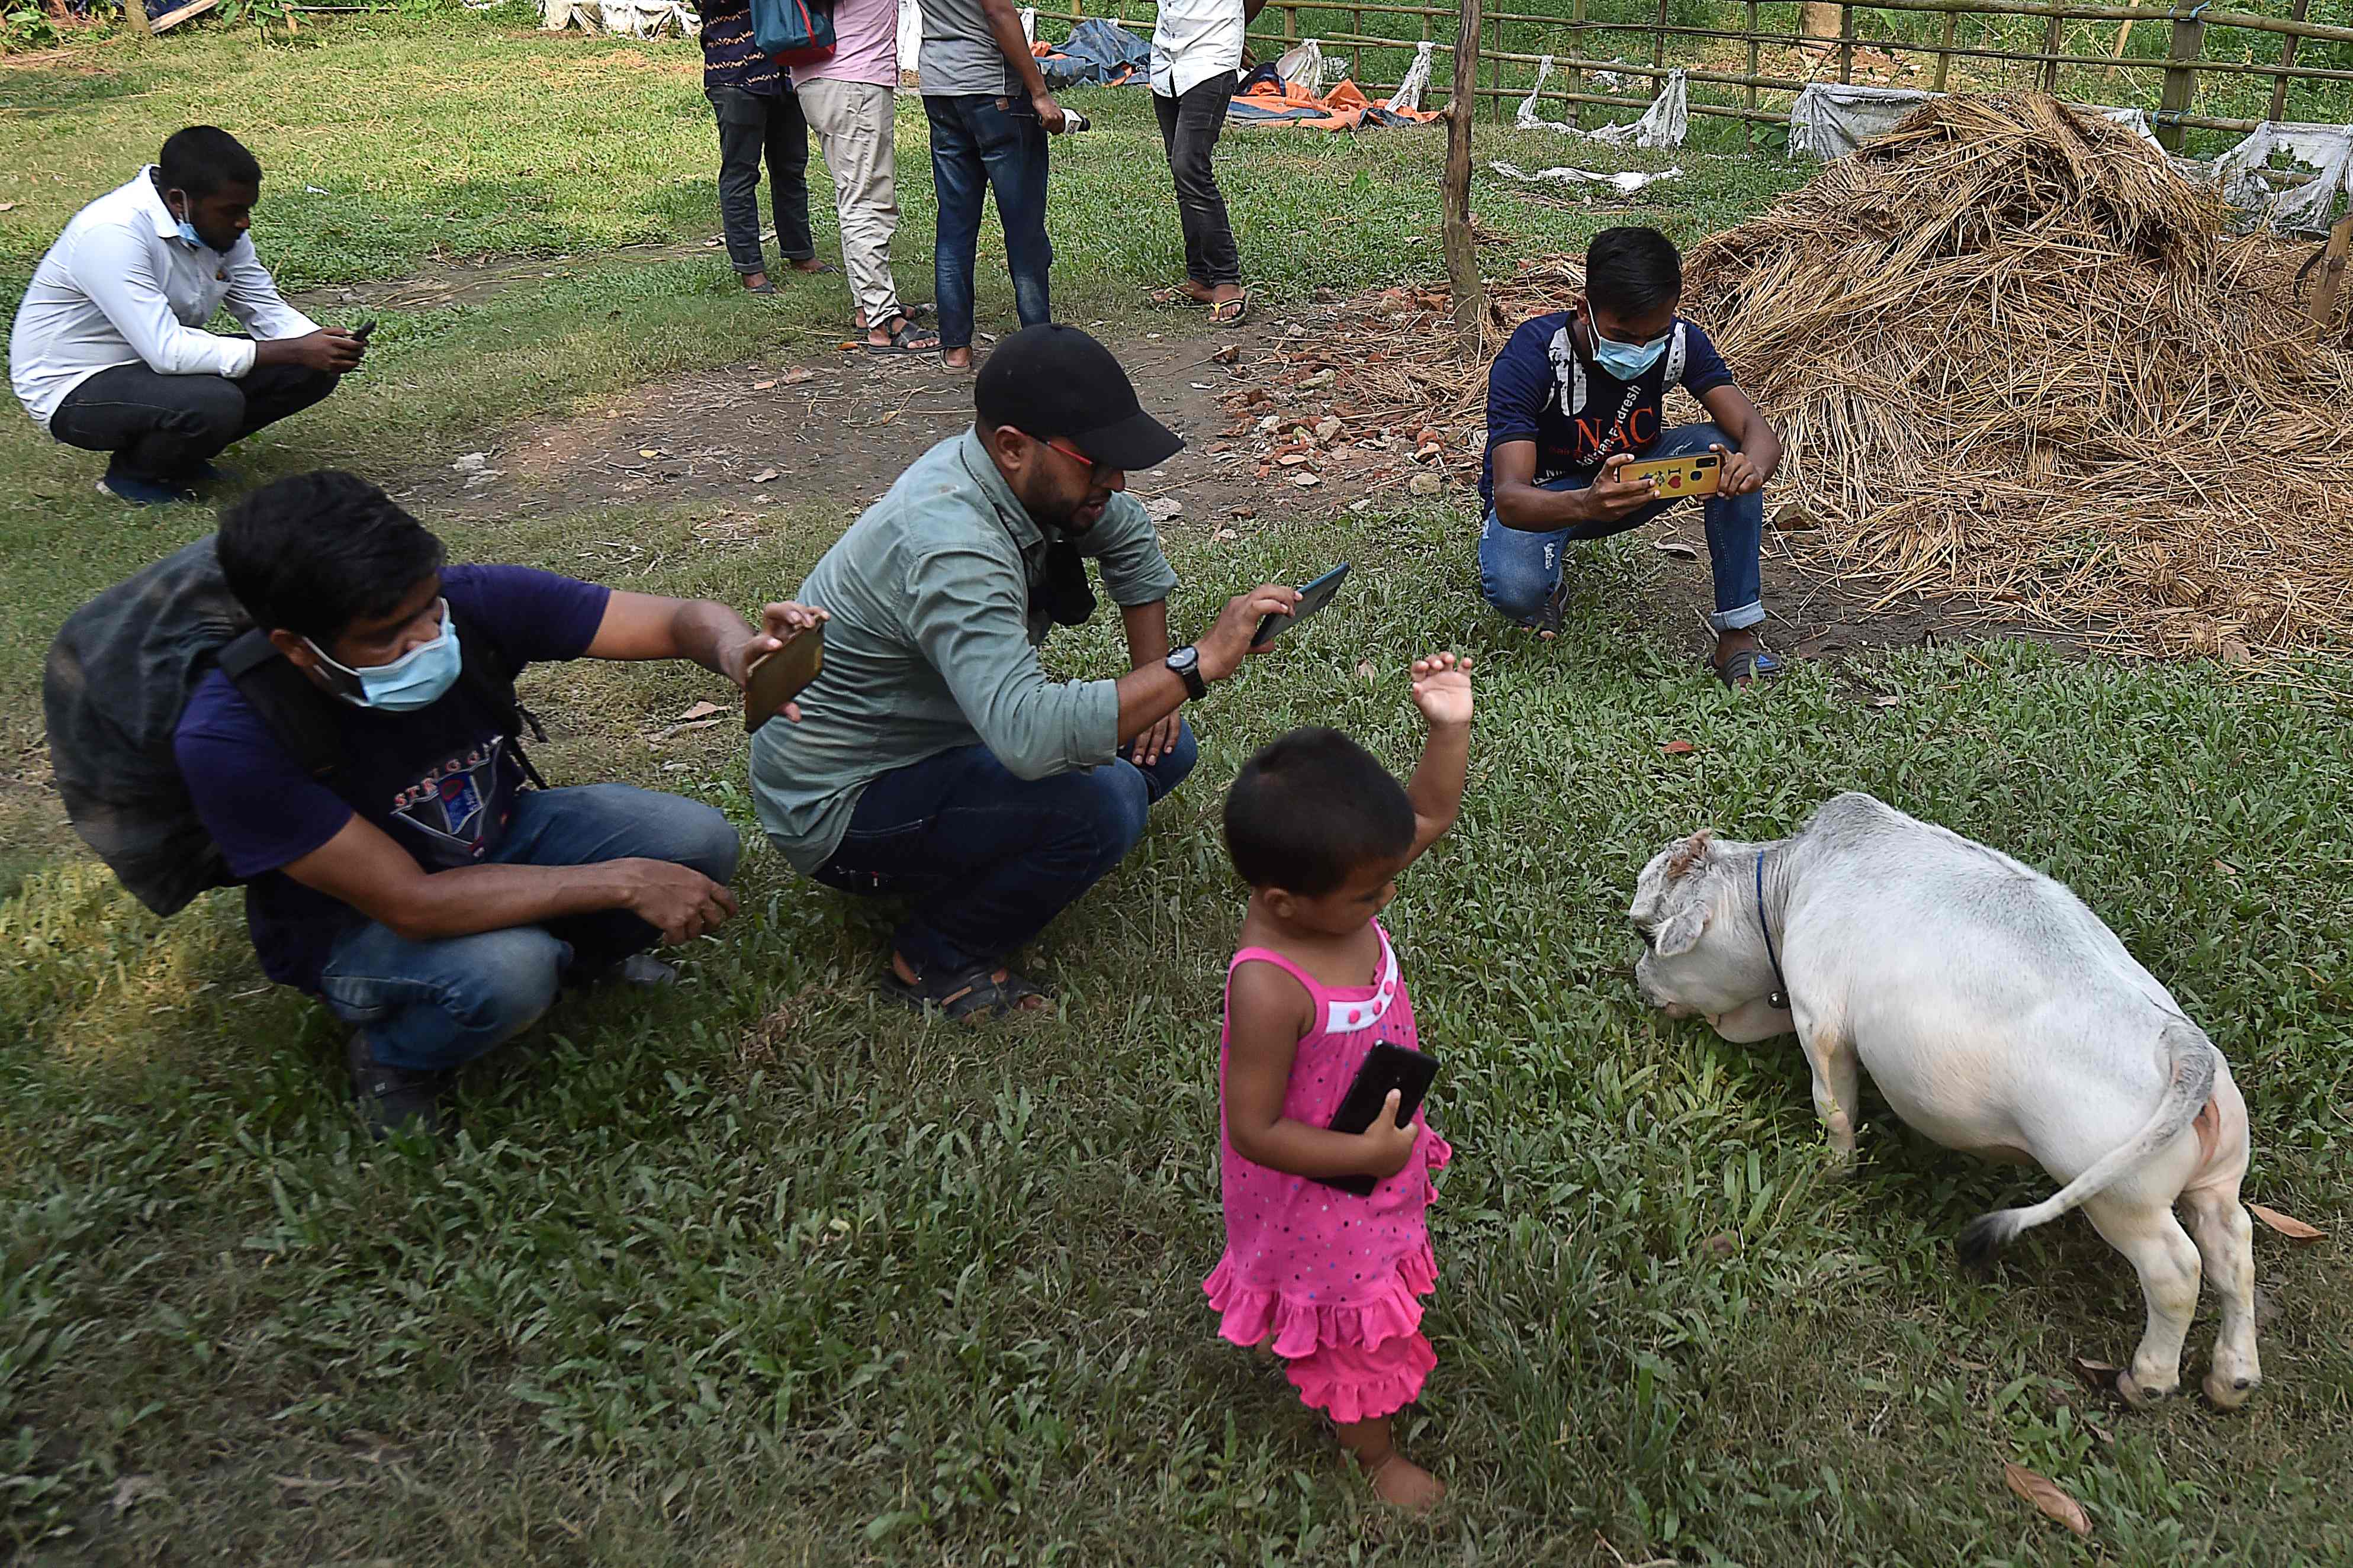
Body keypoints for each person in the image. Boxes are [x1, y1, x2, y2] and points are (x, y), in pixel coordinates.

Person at [175, 470, 826, 1138]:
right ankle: (394, 1054)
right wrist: (622, 881)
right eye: (387, 637)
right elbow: (413, 905)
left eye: (430, 610)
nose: (427, 640)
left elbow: (673, 620)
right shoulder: (231, 738)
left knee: (694, 838)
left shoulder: (472, 602)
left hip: (496, 836)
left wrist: (733, 650)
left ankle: (584, 960)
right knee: (506, 969)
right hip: (362, 928)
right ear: (296, 647)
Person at [751, 324, 1298, 1018]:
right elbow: (1029, 736)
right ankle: (933, 958)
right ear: (1012, 446)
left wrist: (1157, 682)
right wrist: (1197, 665)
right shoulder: (950, 546)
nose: (1116, 480)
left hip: (934, 746)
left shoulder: (1012, 479)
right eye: (1095, 460)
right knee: (1105, 801)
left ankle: (973, 854)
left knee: (1161, 745)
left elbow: (1127, 535)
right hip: (840, 805)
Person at [1203, 653, 1473, 1513]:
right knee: (1350, 1325)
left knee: (1379, 1264)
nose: (1388, 895)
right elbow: (1252, 1128)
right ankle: (1375, 1457)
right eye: (1370, 893)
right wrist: (1361, 1150)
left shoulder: (1339, 886)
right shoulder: (1270, 983)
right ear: (1283, 902)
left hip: (1372, 1146)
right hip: (1317, 1189)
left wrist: (1447, 726)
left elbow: (1428, 809)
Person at [1478, 225, 1786, 687]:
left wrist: (1753, 467)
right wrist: (1585, 502)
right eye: (1623, 334)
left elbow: (1754, 430)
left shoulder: (1681, 343)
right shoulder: (1534, 357)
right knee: (1516, 589)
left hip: (1637, 483)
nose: (1641, 349)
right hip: (1549, 501)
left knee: (1728, 455)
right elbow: (1510, 497)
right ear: (1584, 309)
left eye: (1655, 334)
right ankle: (1550, 587)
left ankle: (1738, 634)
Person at [9, 126, 363, 507]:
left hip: (148, 370)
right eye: (232, 211)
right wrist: (295, 350)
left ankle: (180, 456)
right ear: (180, 201)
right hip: (73, 387)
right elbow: (167, 350)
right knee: (213, 400)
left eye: (247, 210)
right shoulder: (113, 233)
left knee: (309, 369)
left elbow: (264, 308)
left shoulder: (218, 229)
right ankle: (136, 477)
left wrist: (323, 345)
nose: (244, 223)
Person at [919, 0, 1069, 370]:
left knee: (955, 224)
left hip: (940, 87)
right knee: (1023, 227)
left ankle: (956, 348)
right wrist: (1039, 91)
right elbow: (999, 11)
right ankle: (1038, 343)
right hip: (992, 89)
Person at [795, 0, 937, 352]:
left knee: (855, 196)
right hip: (851, 80)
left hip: (832, 77)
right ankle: (883, 320)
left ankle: (869, 307)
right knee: (869, 202)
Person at [690, 0, 831, 294]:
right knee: (741, 173)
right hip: (735, 72)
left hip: (786, 68)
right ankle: (750, 268)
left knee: (791, 168)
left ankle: (800, 252)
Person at [1150, 0, 1262, 324]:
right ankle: (1200, 278)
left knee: (1189, 165)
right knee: (1181, 170)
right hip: (1166, 61)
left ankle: (1227, 280)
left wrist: (1233, 30)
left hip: (1211, 58)